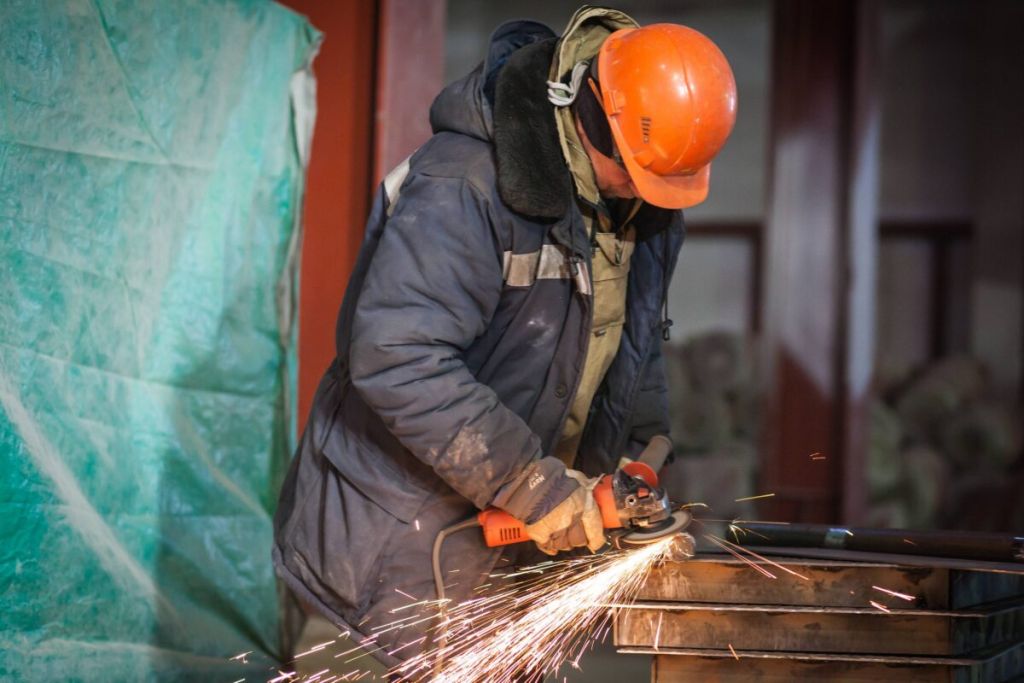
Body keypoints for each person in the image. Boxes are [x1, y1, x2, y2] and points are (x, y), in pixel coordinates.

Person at [273, 5, 736, 668]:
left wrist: (641, 450)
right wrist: (528, 481)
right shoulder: (464, 186)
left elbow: (633, 341)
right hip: (385, 562)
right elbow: (398, 355)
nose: (647, 194)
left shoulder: (644, 206)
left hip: (507, 561)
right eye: (638, 175)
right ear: (595, 119)